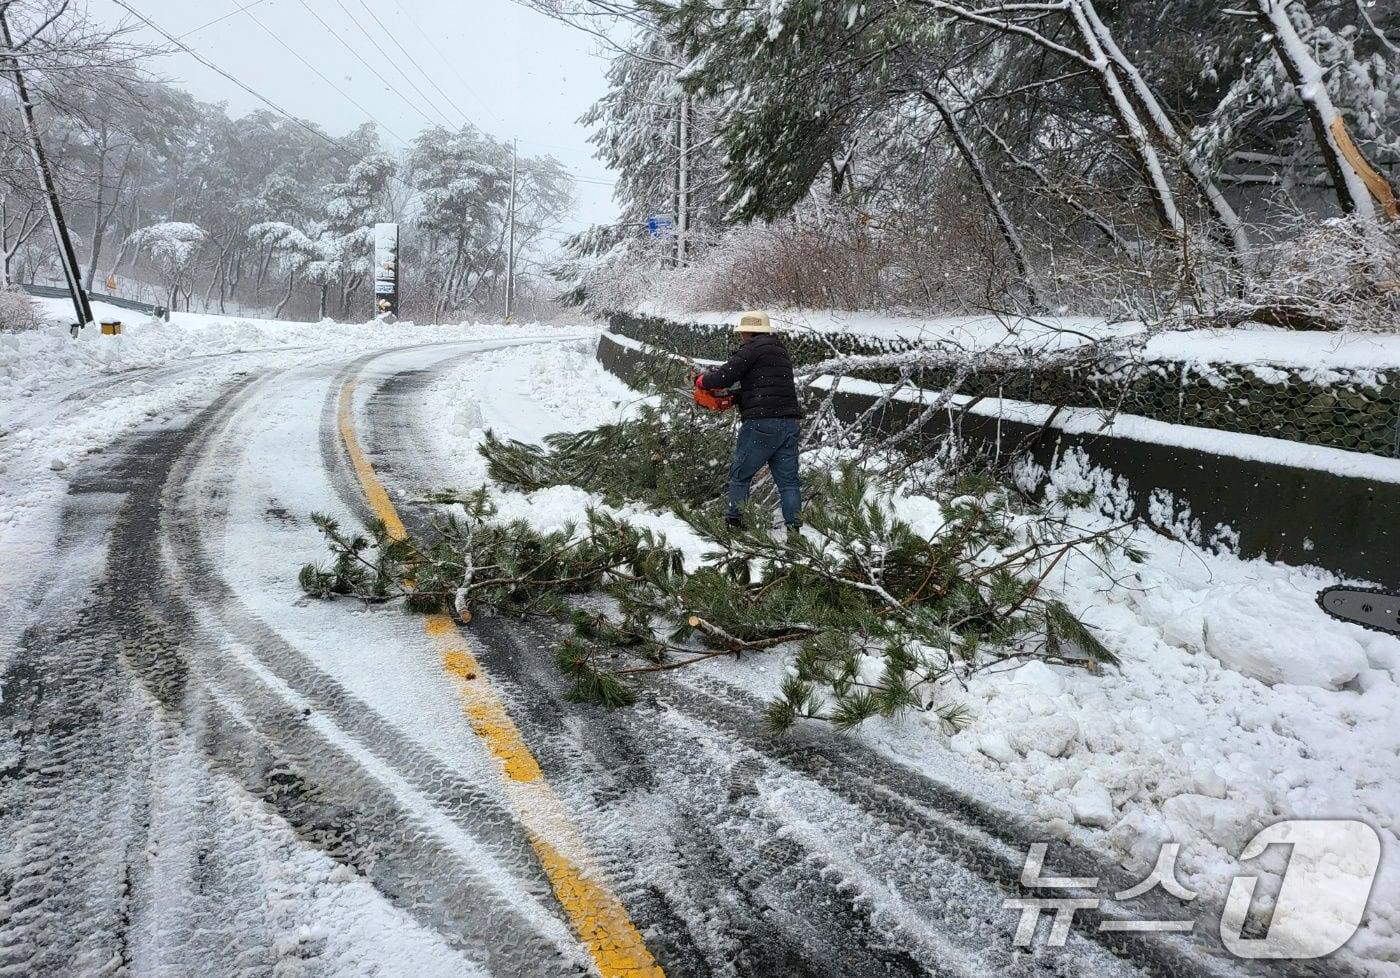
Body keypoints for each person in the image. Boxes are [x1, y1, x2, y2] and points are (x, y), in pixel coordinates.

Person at [696, 311, 802, 530]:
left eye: (742, 332)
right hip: (789, 424)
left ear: (748, 332)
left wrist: (702, 380)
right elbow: (765, 387)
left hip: (761, 425)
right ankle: (795, 528)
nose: (741, 336)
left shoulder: (752, 349)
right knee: (789, 483)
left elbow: (724, 376)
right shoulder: (780, 351)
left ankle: (735, 523)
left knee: (740, 475)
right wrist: (733, 399)